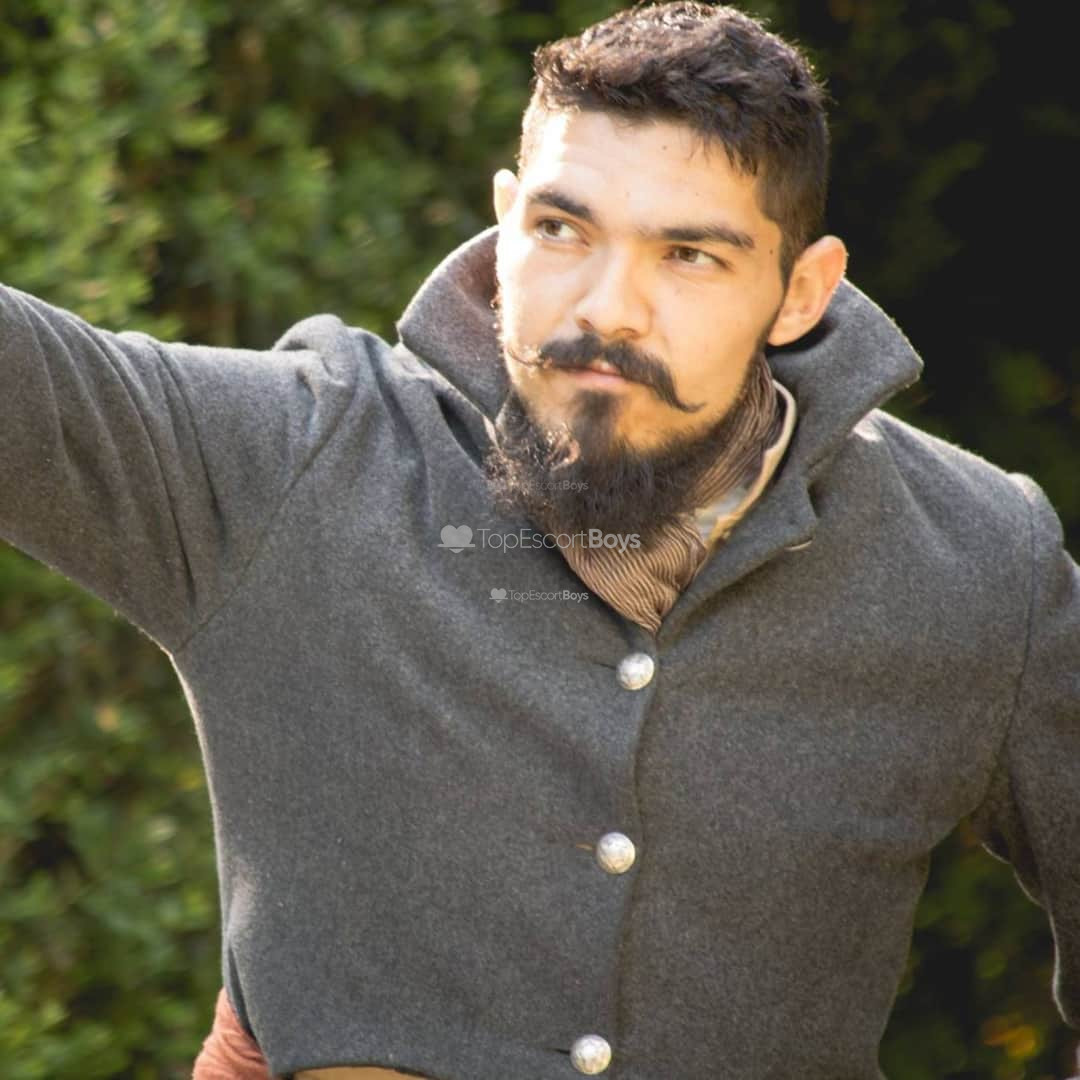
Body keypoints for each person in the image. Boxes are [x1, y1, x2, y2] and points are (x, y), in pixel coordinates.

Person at [1, 3, 1076, 1078]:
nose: (608, 309)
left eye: (689, 255)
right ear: (505, 222)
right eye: (563, 230)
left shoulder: (984, 565)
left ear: (802, 291)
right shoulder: (291, 462)